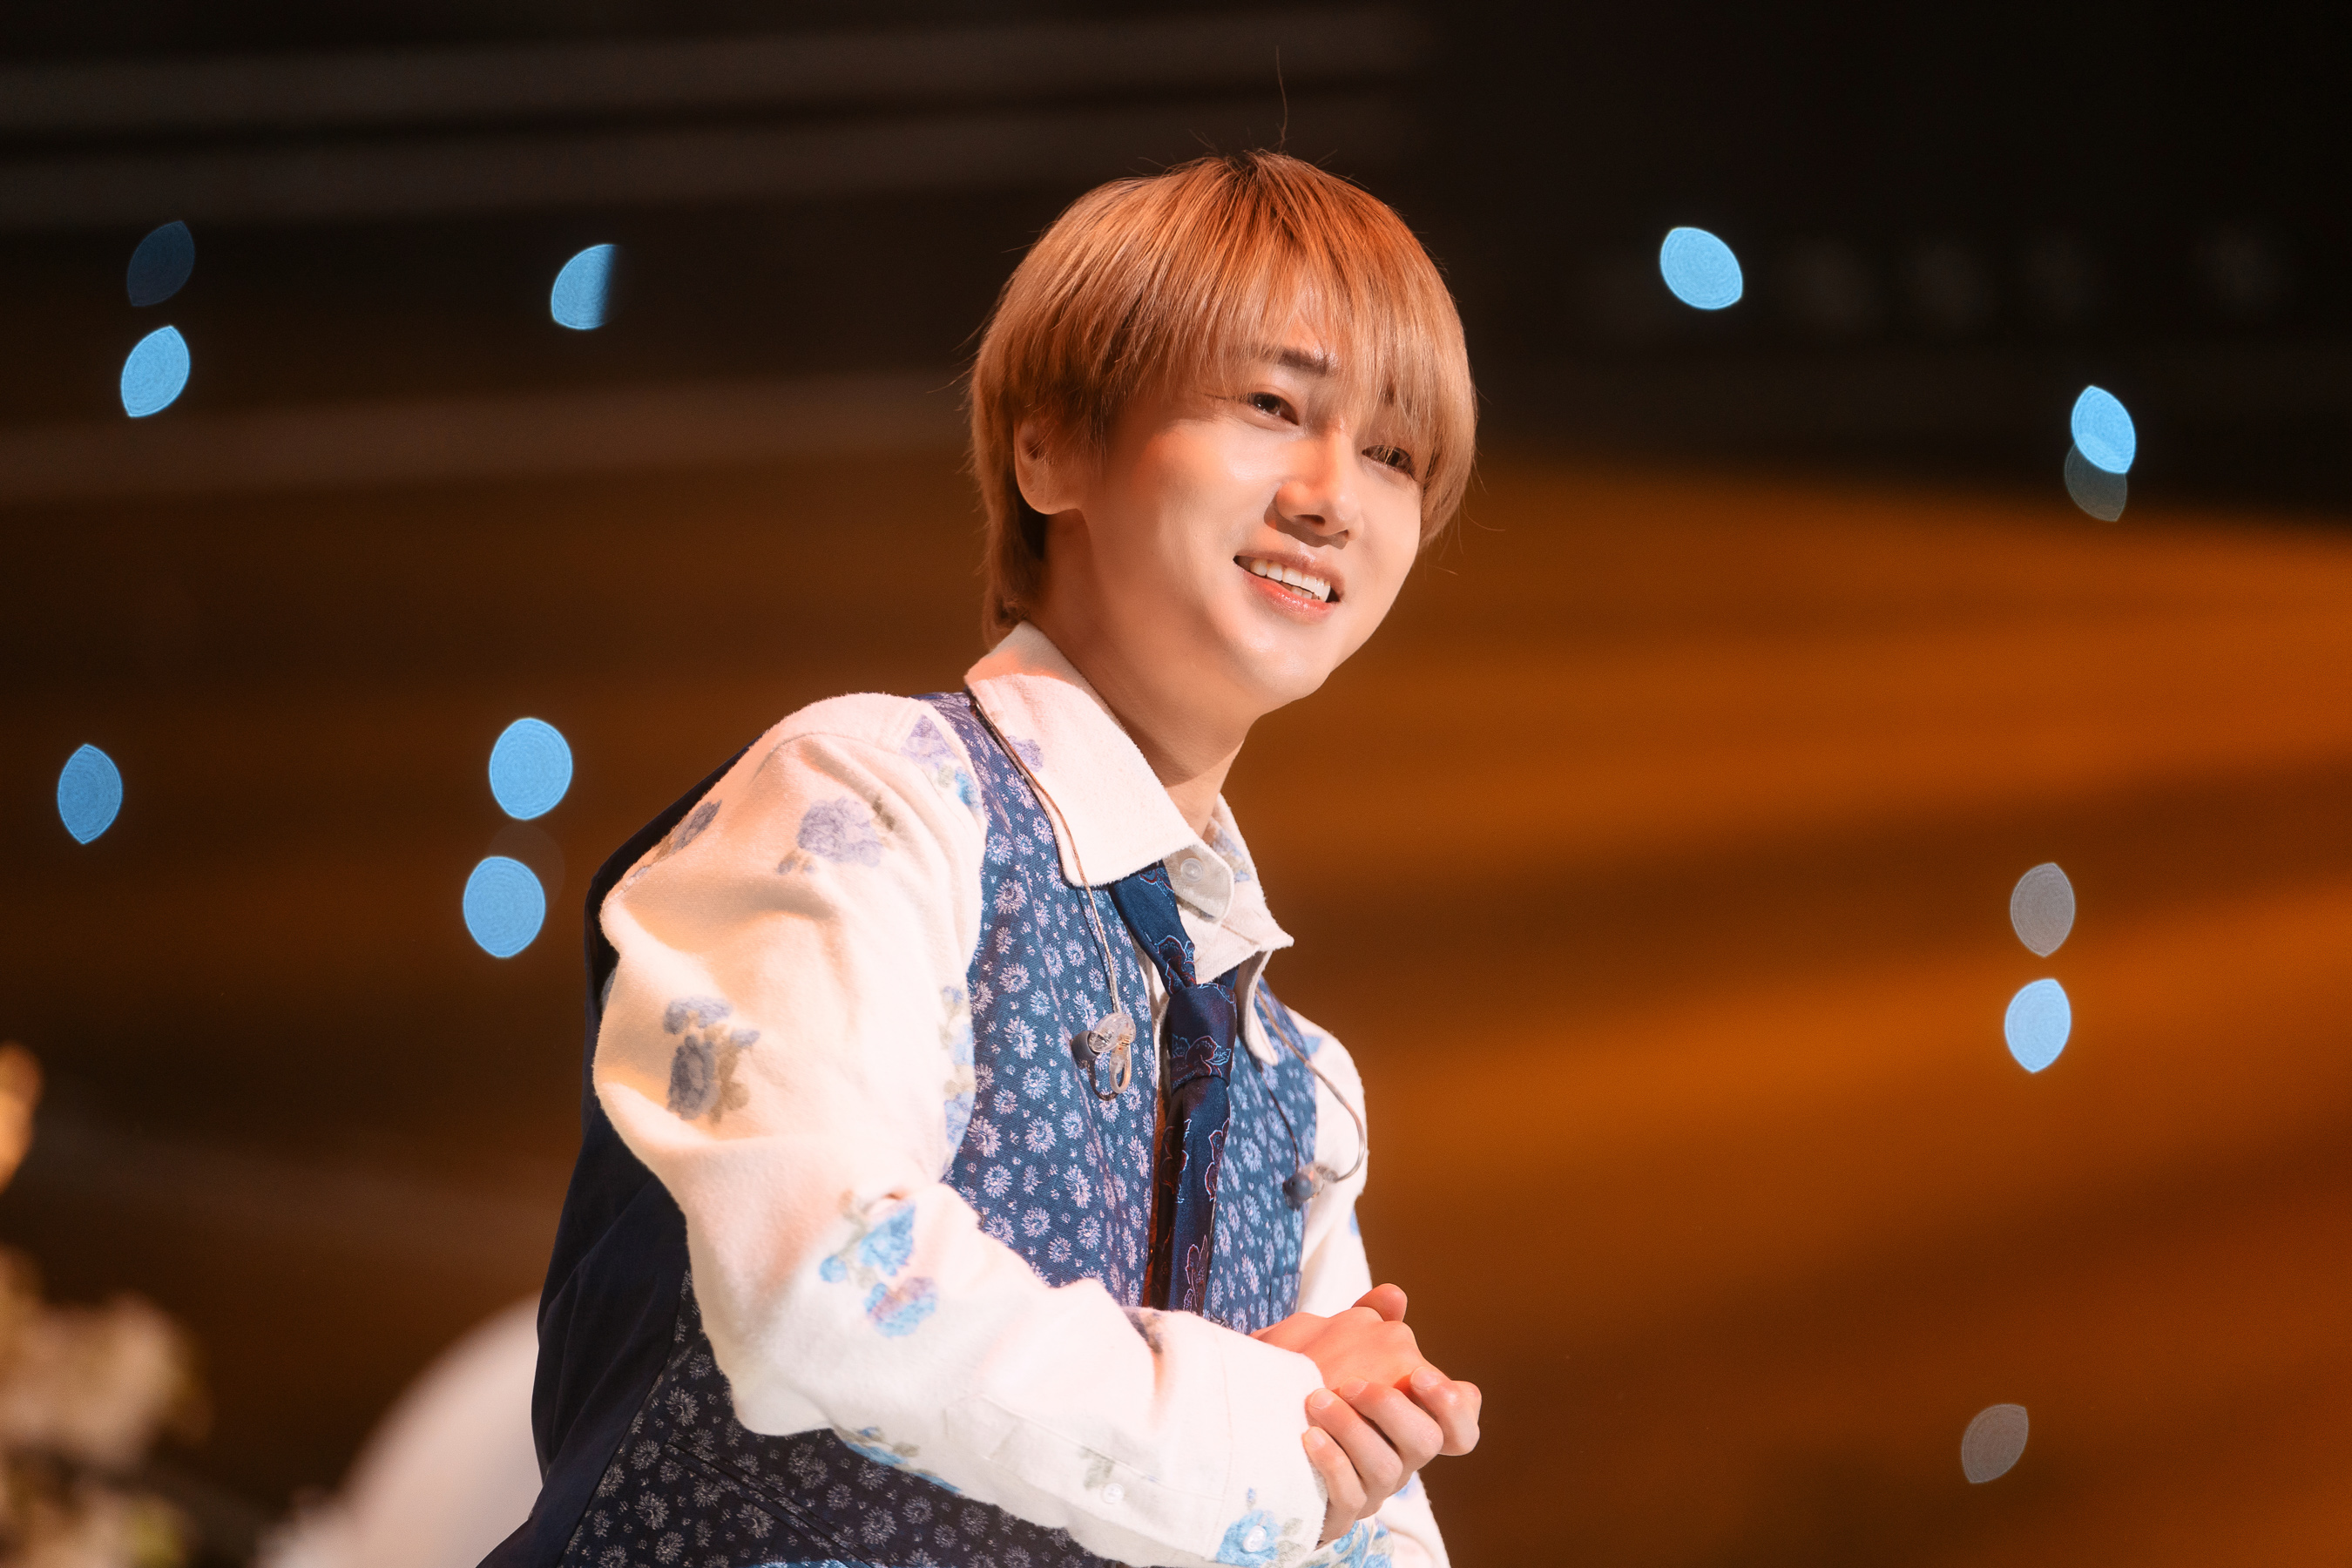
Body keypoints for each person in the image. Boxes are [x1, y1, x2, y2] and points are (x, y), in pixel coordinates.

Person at [489, 150, 1483, 1568]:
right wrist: (1260, 1426)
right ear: (1050, 449)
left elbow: (1341, 1514)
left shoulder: (1298, 1084)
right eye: (1274, 406)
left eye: (1394, 453)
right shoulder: (870, 797)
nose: (1335, 495)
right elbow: (819, 1279)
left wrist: (1357, 1455)